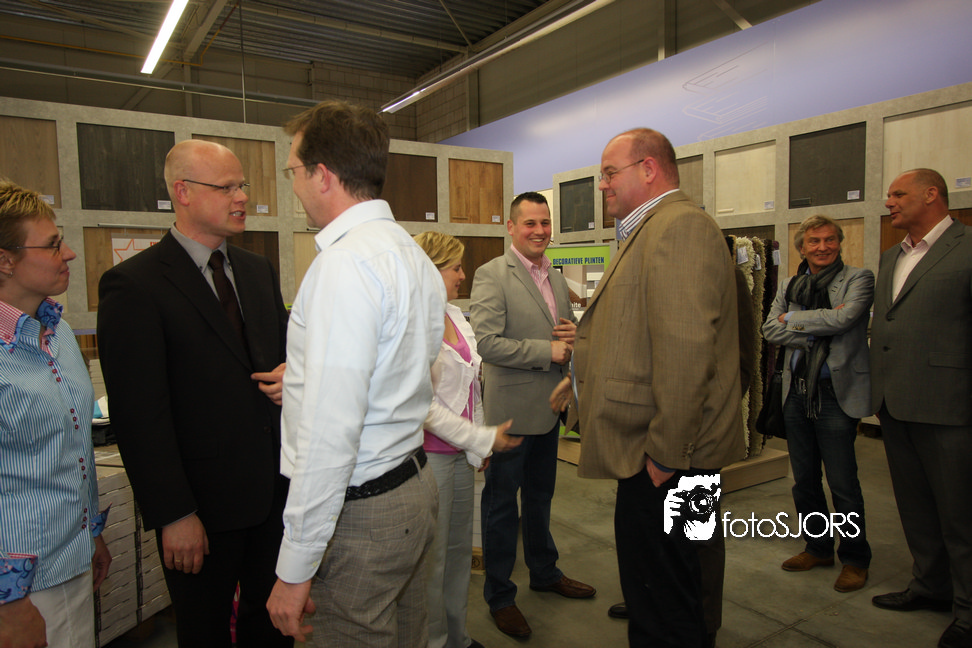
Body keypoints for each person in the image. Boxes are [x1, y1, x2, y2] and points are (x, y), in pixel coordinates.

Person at [550, 128, 744, 648]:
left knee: (666, 594)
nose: (602, 185)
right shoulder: (652, 230)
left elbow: (686, 351)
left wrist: (665, 453)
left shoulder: (679, 228)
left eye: (610, 173)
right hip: (670, 453)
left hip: (667, 457)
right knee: (675, 580)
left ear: (650, 169)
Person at [265, 100, 446, 648]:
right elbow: (406, 371)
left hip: (363, 513)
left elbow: (330, 433)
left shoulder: (343, 265)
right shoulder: (409, 253)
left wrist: (294, 567)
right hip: (412, 486)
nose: (294, 186)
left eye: (294, 171)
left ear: (323, 175)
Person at [97, 140, 291, 648]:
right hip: (201, 509)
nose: (242, 197)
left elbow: (281, 355)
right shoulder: (134, 285)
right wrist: (174, 514)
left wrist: (297, 371)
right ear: (182, 192)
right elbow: (140, 416)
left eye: (242, 185)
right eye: (226, 187)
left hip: (274, 497)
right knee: (204, 633)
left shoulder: (257, 270)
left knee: (273, 630)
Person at [469, 192, 595, 638]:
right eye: (530, 223)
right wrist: (548, 351)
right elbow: (487, 343)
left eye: (545, 223)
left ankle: (544, 572)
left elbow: (562, 334)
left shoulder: (556, 277)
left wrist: (573, 337)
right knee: (502, 507)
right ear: (511, 227)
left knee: (540, 500)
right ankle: (501, 596)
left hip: (549, 410)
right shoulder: (492, 274)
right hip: (511, 416)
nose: (540, 231)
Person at [0, 180, 111, 648]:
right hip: (20, 586)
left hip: (72, 562)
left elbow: (72, 449)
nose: (68, 253)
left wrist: (91, 534)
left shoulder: (57, 332)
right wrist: (8, 601)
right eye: (51, 245)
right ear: (5, 261)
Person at [870, 168, 972, 648]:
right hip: (894, 403)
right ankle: (931, 586)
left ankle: (968, 611)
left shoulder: (966, 248)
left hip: (950, 406)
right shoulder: (892, 256)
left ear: (932, 195)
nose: (889, 202)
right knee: (915, 508)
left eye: (898, 194)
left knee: (960, 515)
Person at [413, 231, 521, 648]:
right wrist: (480, 437)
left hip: (460, 455)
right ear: (430, 269)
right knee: (433, 560)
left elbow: (473, 385)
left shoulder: (455, 315)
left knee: (458, 553)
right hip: (430, 458)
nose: (463, 275)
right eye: (455, 267)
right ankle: (434, 640)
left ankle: (457, 636)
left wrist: (476, 445)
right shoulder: (413, 323)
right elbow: (422, 405)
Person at [761, 214, 873, 593]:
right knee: (805, 481)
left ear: (839, 243)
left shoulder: (858, 279)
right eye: (814, 241)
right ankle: (818, 548)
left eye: (829, 240)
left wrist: (792, 319)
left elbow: (844, 320)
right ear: (802, 248)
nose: (822, 247)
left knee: (843, 484)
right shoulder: (790, 284)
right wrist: (813, 329)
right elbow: (769, 328)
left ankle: (855, 558)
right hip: (796, 393)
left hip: (835, 394)